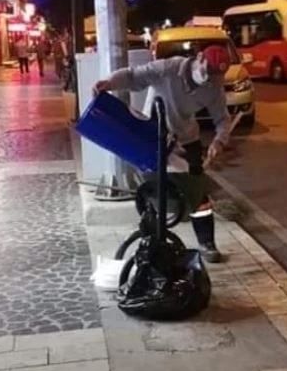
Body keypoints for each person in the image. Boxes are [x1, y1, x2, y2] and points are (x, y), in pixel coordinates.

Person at [92, 44, 232, 263]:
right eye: (207, 71)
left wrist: (219, 141)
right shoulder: (168, 69)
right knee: (153, 190)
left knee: (197, 194)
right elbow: (133, 76)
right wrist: (109, 83)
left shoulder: (213, 88)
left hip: (186, 141)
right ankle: (153, 241)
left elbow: (222, 119)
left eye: (215, 76)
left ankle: (207, 243)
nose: (208, 79)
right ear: (199, 58)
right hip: (154, 137)